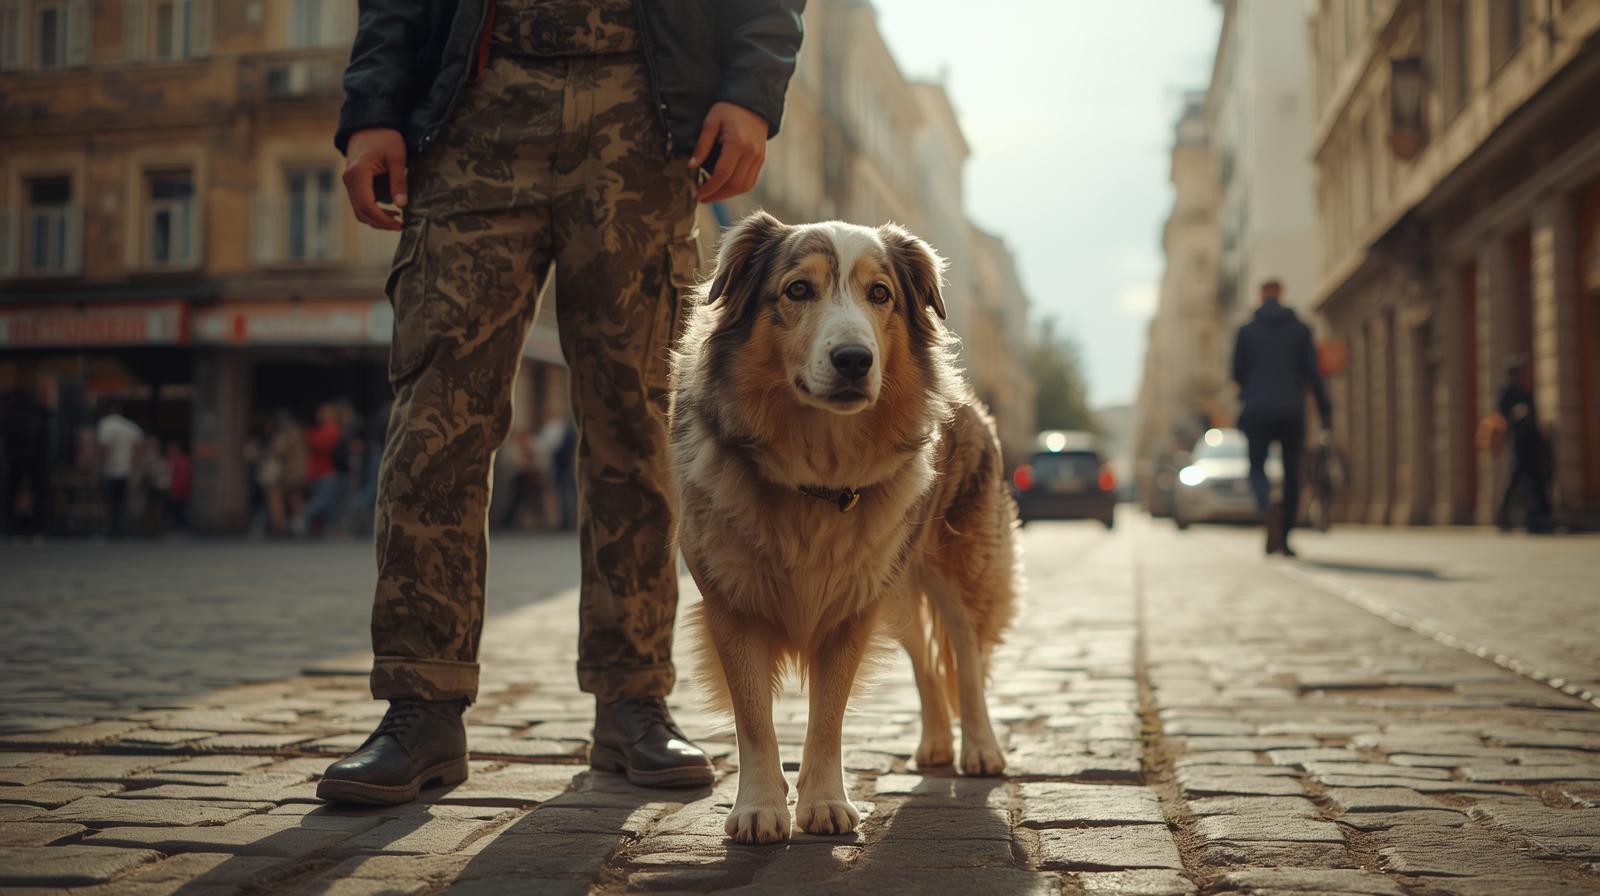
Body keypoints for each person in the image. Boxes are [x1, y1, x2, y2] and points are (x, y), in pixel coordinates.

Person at [316, 0, 804, 806]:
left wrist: (753, 90)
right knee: (435, 423)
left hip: (642, 109)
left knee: (638, 428)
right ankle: (422, 705)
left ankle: (633, 698)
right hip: (476, 105)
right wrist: (373, 107)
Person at [1231, 279, 1332, 557]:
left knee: (1256, 467)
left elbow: (1237, 374)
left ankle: (1267, 505)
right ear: (1282, 294)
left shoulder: (1246, 332)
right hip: (1291, 410)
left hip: (1257, 410)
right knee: (1291, 474)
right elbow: (1314, 375)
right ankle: (1284, 537)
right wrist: (1325, 411)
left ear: (1261, 295)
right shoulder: (1300, 330)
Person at [1493, 355, 1552, 533]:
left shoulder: (1525, 391)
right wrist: (1516, 416)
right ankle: (1508, 516)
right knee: (1522, 478)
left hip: (1532, 443)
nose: (1523, 375)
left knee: (1533, 478)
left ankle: (1538, 516)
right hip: (1519, 443)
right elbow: (1503, 415)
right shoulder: (1508, 392)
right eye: (1520, 372)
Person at [95, 403, 144, 537]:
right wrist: (133, 461)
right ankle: (122, 529)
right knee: (122, 502)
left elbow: (103, 447)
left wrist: (100, 466)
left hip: (110, 470)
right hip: (126, 469)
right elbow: (140, 443)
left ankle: (111, 528)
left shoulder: (105, 425)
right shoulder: (129, 426)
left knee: (110, 501)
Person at [536, 413, 579, 531]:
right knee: (564, 494)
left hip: (563, 466)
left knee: (566, 494)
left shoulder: (559, 429)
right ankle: (567, 520)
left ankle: (568, 521)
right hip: (563, 466)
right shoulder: (566, 429)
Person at [164, 441, 192, 532]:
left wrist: (176, 488)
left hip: (179, 490)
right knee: (173, 510)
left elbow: (183, 476)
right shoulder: (168, 460)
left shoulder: (183, 461)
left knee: (179, 510)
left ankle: (180, 527)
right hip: (170, 490)